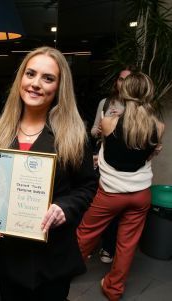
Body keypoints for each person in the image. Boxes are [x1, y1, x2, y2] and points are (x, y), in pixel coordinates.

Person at [0, 46, 98, 301]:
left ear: (59, 87)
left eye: (48, 78)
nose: (35, 84)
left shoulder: (74, 135)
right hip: (7, 255)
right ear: (20, 78)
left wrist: (64, 207)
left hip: (52, 257)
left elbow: (87, 186)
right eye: (30, 74)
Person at [77, 72, 164, 301]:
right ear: (148, 93)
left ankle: (63, 272)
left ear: (124, 92)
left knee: (85, 233)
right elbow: (146, 155)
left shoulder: (109, 122)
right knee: (127, 244)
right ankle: (114, 289)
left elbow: (113, 149)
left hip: (110, 193)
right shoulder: (158, 126)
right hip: (141, 195)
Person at [90, 66, 137, 264]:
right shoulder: (105, 102)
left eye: (127, 80)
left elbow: (138, 141)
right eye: (120, 79)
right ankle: (90, 244)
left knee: (116, 209)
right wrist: (101, 128)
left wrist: (119, 123)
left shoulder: (137, 107)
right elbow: (93, 132)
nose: (122, 83)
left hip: (123, 167)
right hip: (102, 161)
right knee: (94, 205)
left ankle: (108, 246)